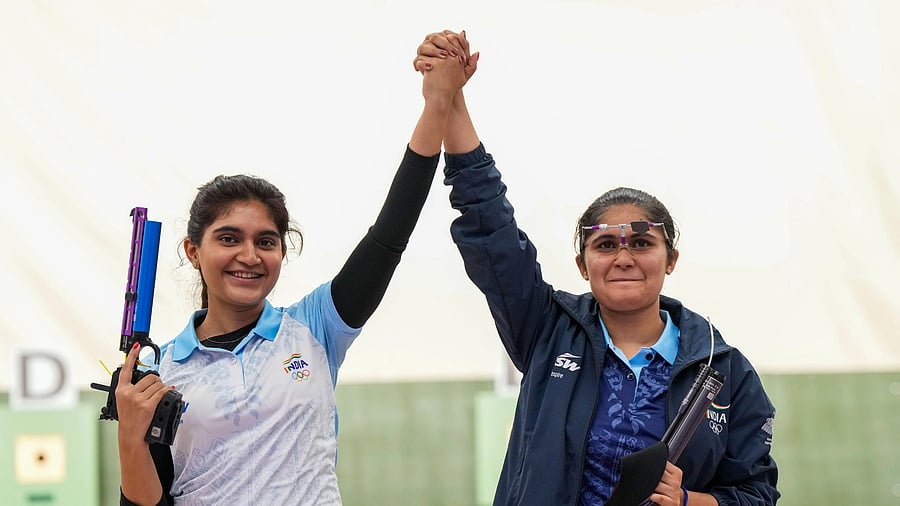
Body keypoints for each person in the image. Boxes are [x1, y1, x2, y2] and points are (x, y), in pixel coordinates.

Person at [414, 30, 779, 505]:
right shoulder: (547, 331)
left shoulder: (723, 369)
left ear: (670, 259)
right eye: (605, 244)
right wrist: (451, 99)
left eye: (643, 243)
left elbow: (758, 494)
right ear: (582, 266)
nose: (624, 257)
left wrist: (692, 502)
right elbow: (492, 230)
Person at [111, 47, 470, 505]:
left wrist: (437, 104)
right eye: (228, 239)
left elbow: (389, 235)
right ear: (192, 252)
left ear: (283, 250)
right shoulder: (162, 371)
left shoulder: (316, 328)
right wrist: (130, 439)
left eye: (266, 241)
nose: (249, 255)